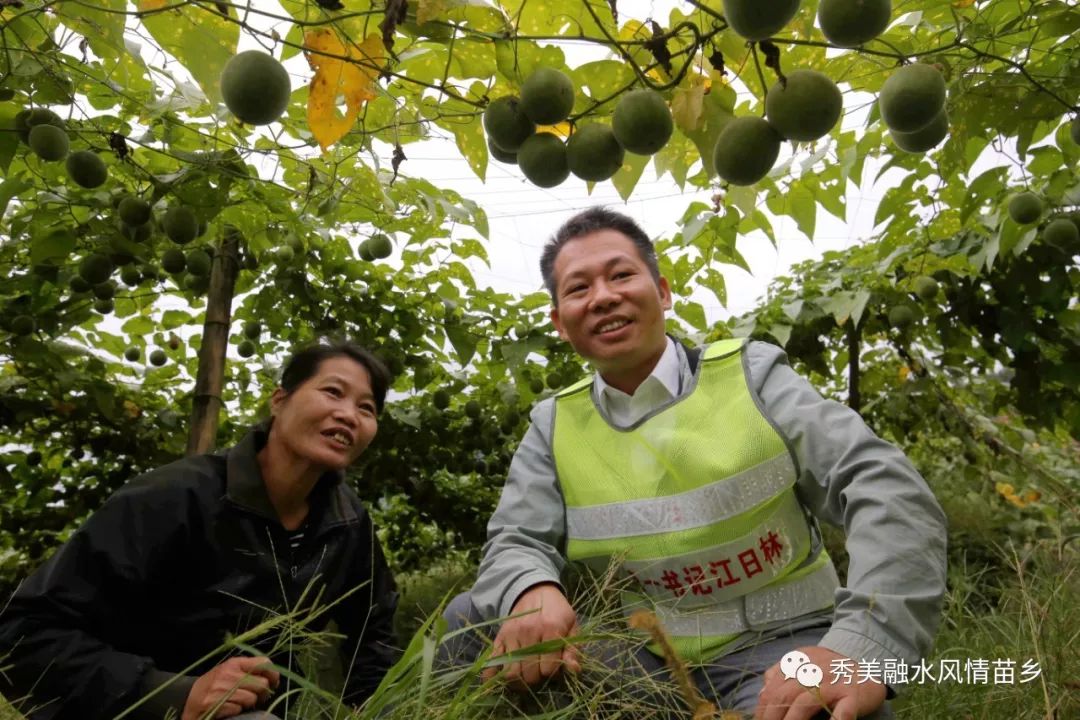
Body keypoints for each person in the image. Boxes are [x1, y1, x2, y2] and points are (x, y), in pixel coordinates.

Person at [445, 207, 948, 719]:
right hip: (642, 662)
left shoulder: (752, 379)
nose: (602, 297)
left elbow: (881, 486)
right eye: (578, 289)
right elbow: (515, 537)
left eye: (621, 275)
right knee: (472, 622)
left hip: (781, 647)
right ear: (559, 323)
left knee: (815, 709)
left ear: (662, 292)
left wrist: (859, 649)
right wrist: (530, 591)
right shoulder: (555, 426)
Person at [0, 341, 399, 720]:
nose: (349, 414)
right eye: (333, 391)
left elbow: (374, 635)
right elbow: (21, 636)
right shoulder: (171, 498)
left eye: (367, 408)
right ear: (279, 401)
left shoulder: (347, 522)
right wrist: (169, 694)